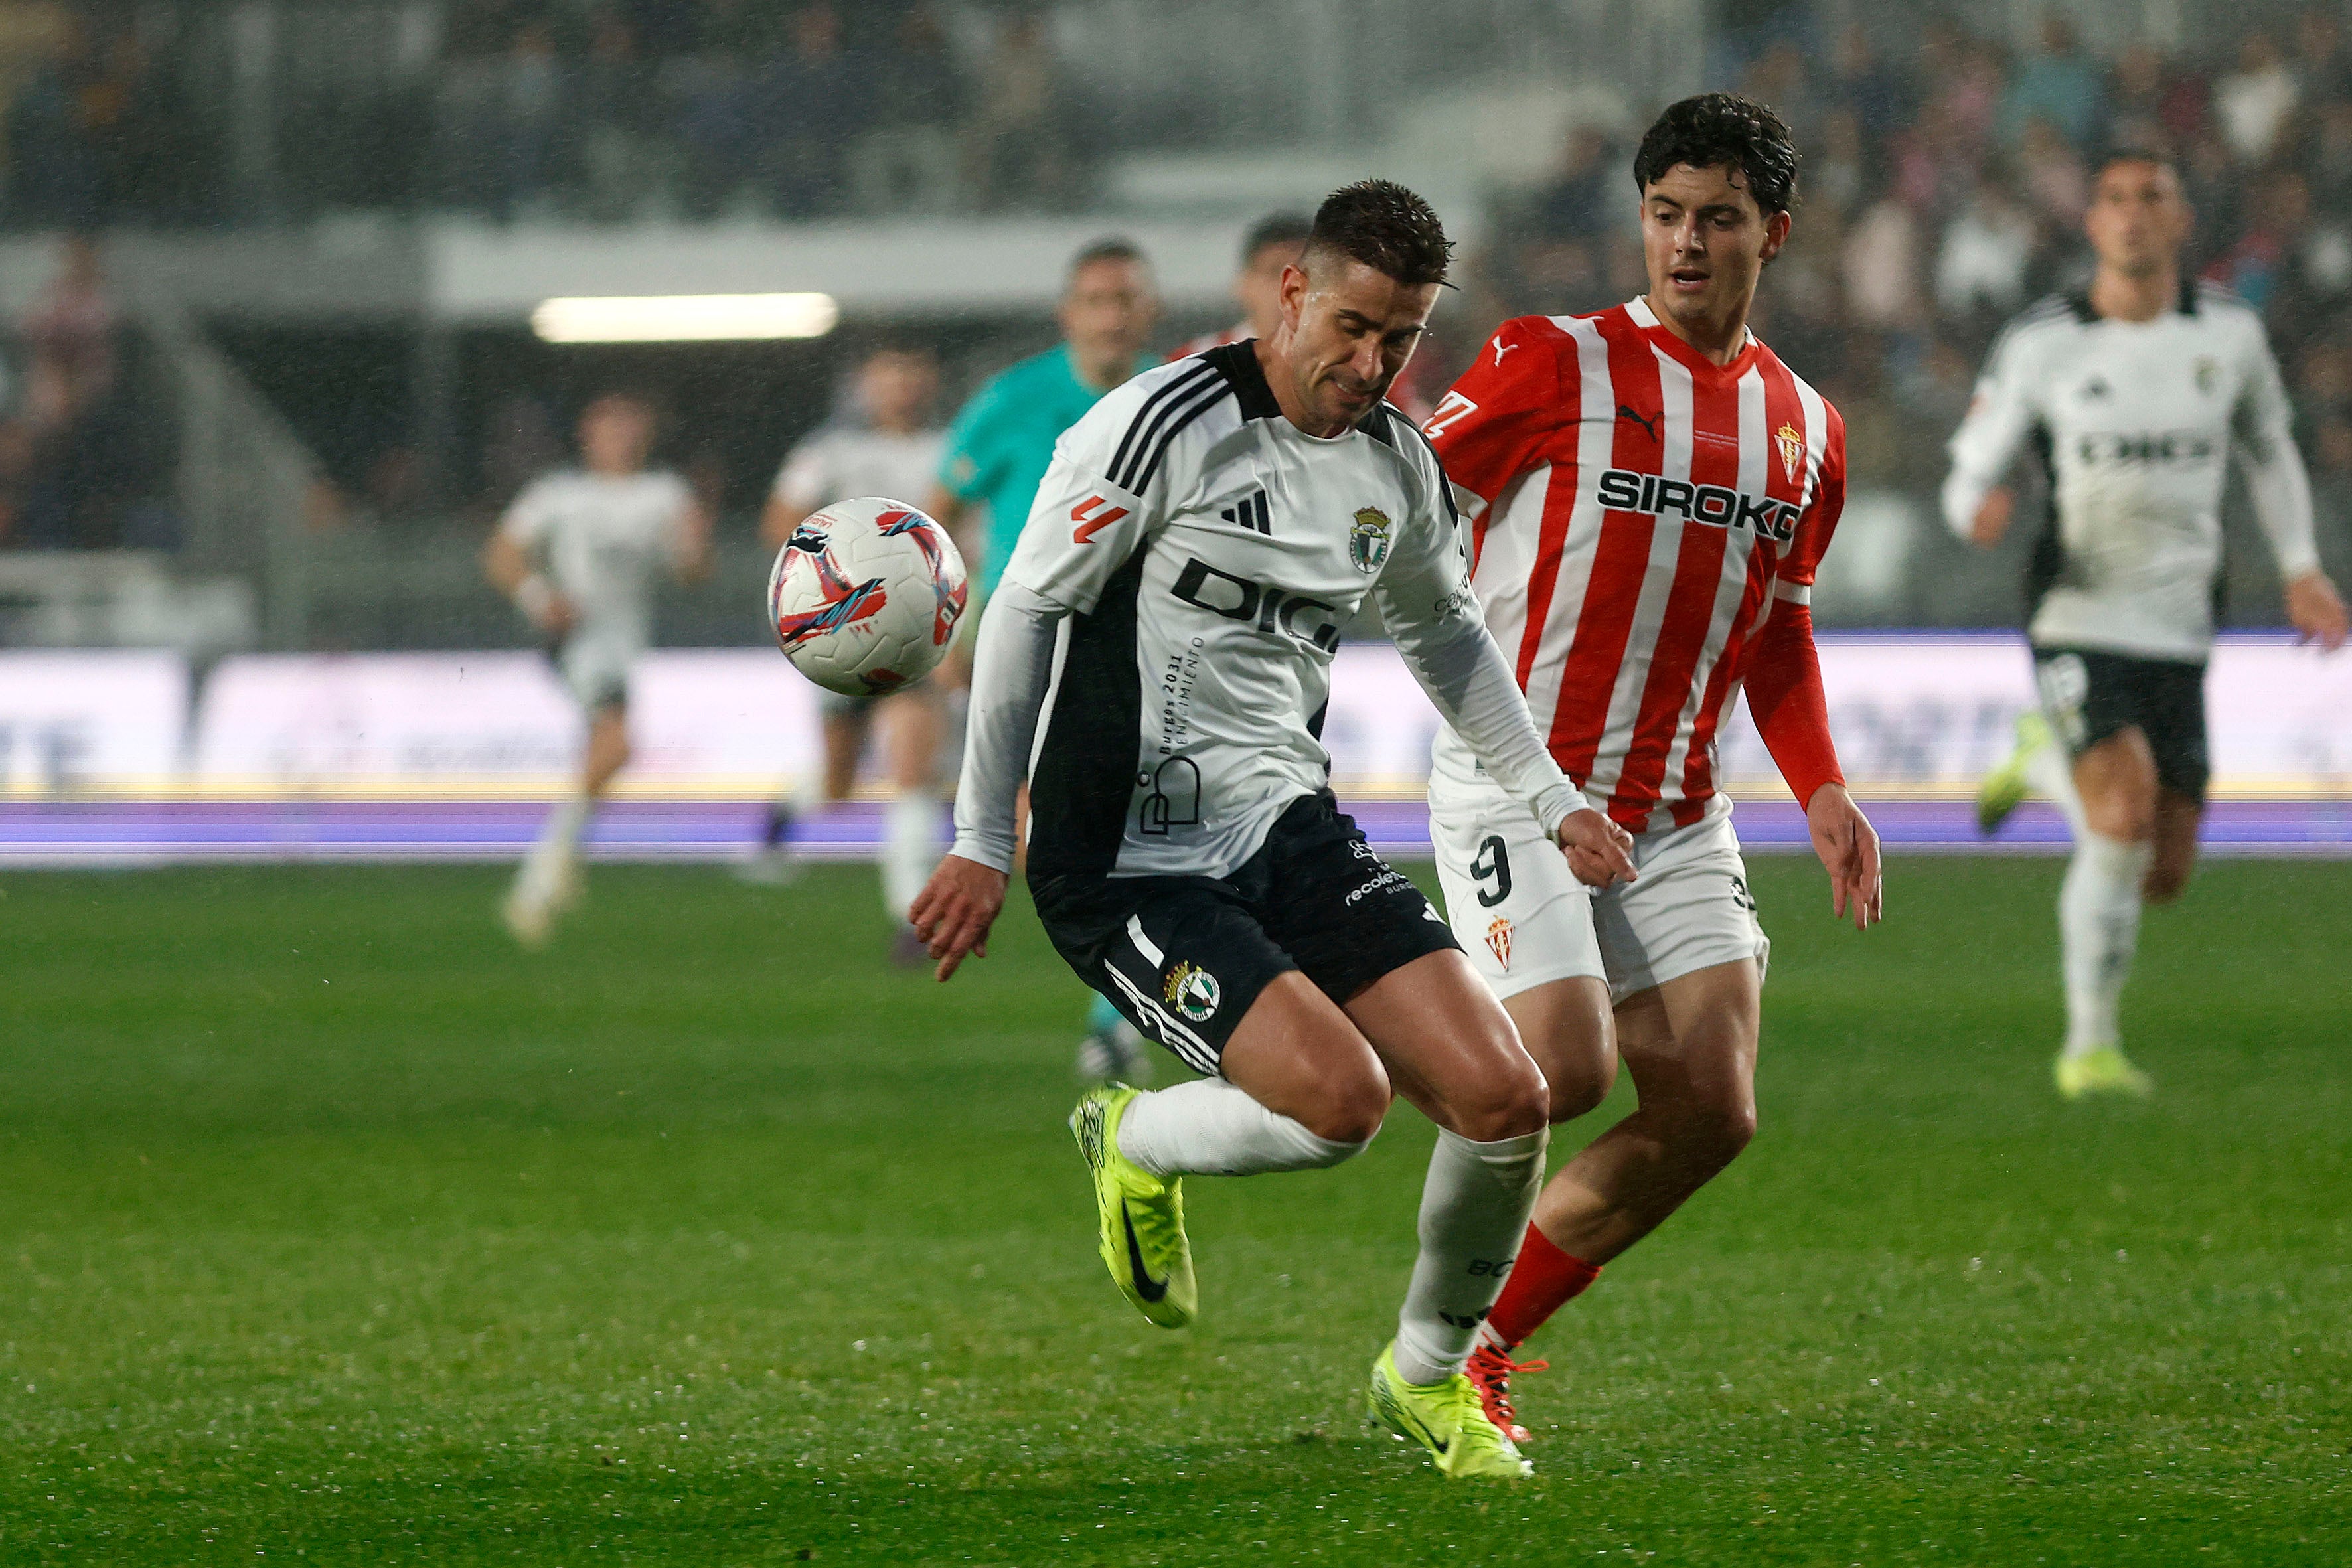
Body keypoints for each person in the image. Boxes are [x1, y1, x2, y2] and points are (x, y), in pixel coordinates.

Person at [910, 181, 1639, 1481]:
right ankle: (1131, 1139)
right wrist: (978, 834)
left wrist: (1553, 799)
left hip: (1286, 825)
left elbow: (1446, 635)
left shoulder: (1395, 465)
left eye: (1400, 339)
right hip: (1121, 854)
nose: (1369, 365)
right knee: (1342, 1103)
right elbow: (1022, 612)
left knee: (1504, 1097)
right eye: (1351, 327)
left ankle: (1423, 1376)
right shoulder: (1156, 425)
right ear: (1290, 294)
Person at [1418, 94, 1883, 1445]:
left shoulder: (1808, 429)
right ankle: (1352, 1030)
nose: (1685, 242)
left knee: (1710, 1108)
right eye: (1665, 214)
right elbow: (1392, 515)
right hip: (1522, 782)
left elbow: (1778, 626)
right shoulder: (1542, 361)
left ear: (1772, 234)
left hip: (1674, 810)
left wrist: (1824, 786)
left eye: (1717, 218)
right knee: (1559, 1070)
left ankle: (1472, 1345)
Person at [1950, 148, 2348, 1100]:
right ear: (2091, 222)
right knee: (2120, 815)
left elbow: (2268, 456)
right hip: (2074, 608)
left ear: (2178, 220)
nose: (2131, 214)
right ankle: (2086, 1046)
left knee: (2158, 871)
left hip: (2178, 619)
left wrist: (2300, 569)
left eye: (2151, 199)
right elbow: (1967, 468)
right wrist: (1978, 506)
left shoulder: (2228, 334)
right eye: (2114, 199)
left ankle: (2039, 757)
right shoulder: (2043, 341)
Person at [929, 238, 1160, 1079]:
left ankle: (1120, 1011)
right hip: (1023, 635)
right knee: (1070, 835)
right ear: (1070, 313)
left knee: (1129, 831)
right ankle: (1124, 1004)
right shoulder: (1014, 400)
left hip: (1142, 637)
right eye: (1097, 300)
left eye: (1126, 299)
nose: (1112, 315)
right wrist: (950, 624)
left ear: (1149, 311)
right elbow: (939, 512)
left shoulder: (1169, 397)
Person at [747, 345, 957, 960]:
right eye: (886, 377)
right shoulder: (830, 452)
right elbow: (777, 524)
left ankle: (909, 919)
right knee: (839, 782)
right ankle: (785, 811)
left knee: (912, 765)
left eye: (911, 375)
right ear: (865, 385)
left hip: (917, 628)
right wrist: (848, 556)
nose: (900, 389)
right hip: (839, 628)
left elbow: (971, 521)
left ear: (928, 381)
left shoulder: (951, 447)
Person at [484, 392, 712, 947]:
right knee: (616, 745)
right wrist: (541, 598)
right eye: (609, 426)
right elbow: (502, 554)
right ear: (587, 434)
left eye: (631, 425)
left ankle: (559, 863)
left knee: (606, 753)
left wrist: (692, 551)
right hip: (578, 640)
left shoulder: (665, 494)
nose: (621, 437)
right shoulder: (558, 494)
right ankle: (539, 879)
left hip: (626, 644)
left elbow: (694, 572)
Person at [1166, 212, 1313, 360]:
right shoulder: (1194, 361)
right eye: (1275, 272)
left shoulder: (1335, 362)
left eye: (1304, 273)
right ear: (1243, 284)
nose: (1291, 287)